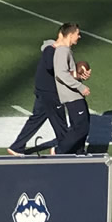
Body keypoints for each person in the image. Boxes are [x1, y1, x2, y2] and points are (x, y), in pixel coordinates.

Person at [8, 23, 79, 156]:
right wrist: (73, 74)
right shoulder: (51, 50)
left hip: (44, 91)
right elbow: (53, 68)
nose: (79, 36)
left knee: (36, 119)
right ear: (68, 35)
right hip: (50, 93)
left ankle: (17, 147)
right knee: (61, 125)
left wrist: (77, 75)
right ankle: (65, 151)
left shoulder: (58, 51)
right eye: (77, 34)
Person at [54, 56, 92, 154]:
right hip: (72, 97)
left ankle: (79, 152)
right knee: (80, 128)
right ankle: (59, 151)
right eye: (77, 38)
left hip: (76, 95)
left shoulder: (66, 50)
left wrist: (80, 75)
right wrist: (80, 82)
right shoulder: (62, 51)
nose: (78, 39)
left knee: (83, 125)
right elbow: (61, 74)